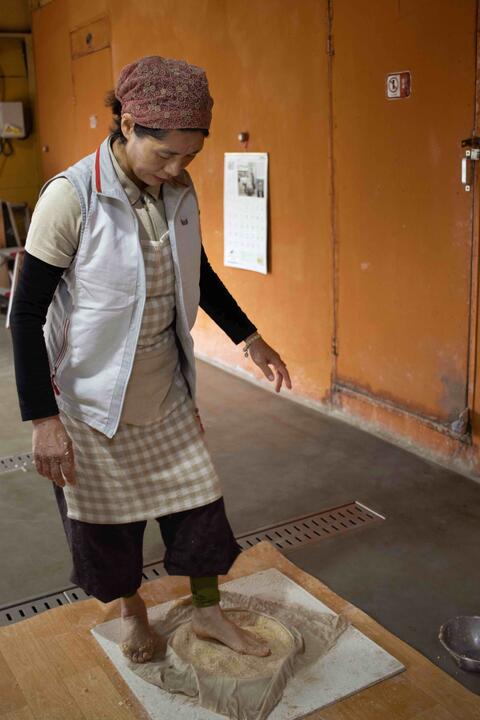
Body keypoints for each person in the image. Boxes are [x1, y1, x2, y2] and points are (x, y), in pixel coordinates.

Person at [10, 55, 292, 664]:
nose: (176, 169)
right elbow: (24, 314)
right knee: (107, 533)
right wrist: (43, 420)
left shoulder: (178, 190)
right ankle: (135, 615)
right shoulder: (70, 197)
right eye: (165, 155)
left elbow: (200, 273)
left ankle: (209, 613)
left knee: (199, 510)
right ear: (129, 124)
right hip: (89, 401)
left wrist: (250, 336)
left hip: (163, 388)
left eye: (189, 157)